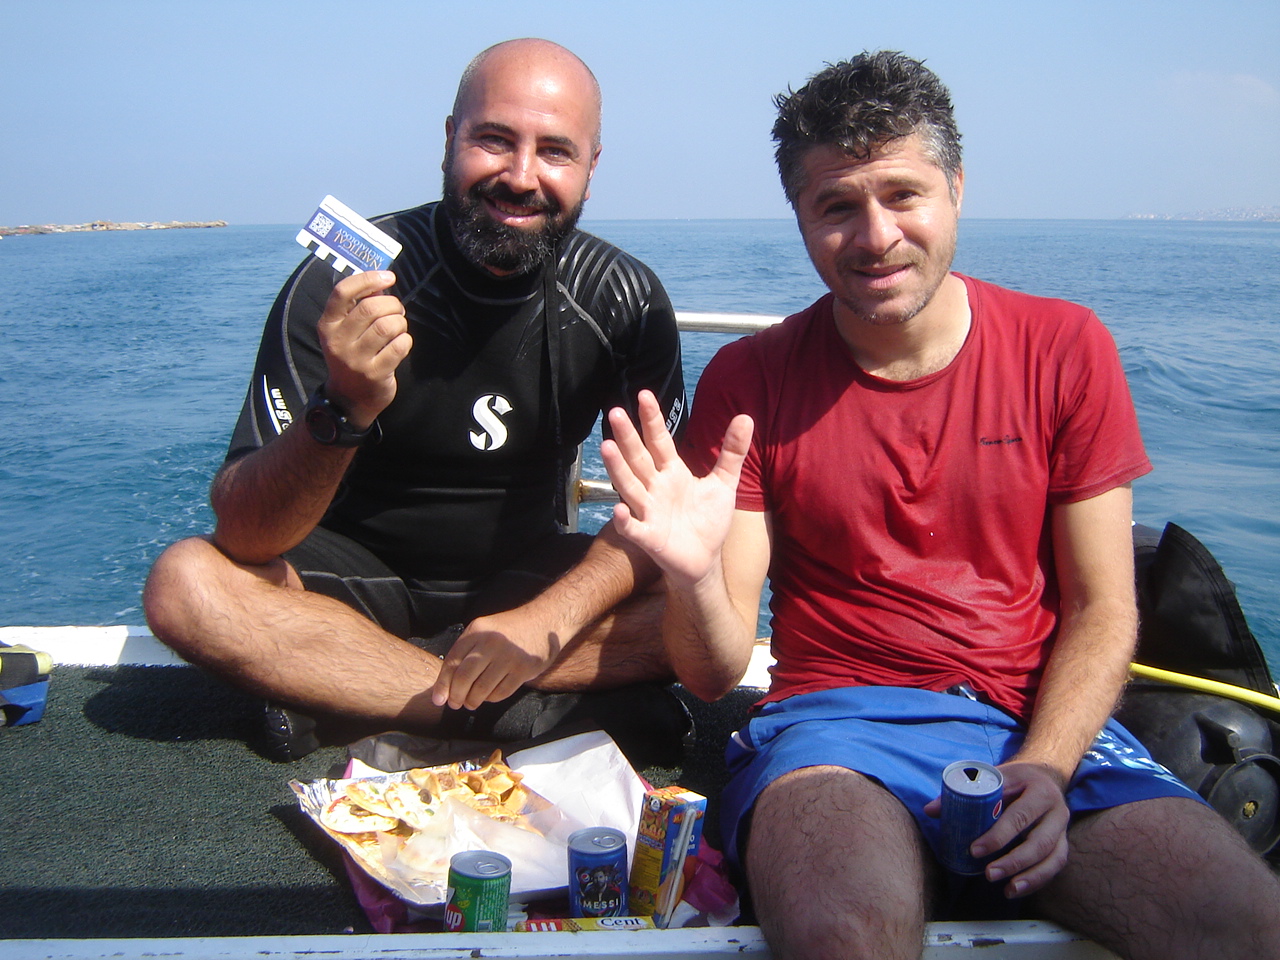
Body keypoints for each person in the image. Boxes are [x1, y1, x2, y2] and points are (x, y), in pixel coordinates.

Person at [601, 51, 1280, 960]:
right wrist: (689, 579)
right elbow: (718, 674)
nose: (875, 235)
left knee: (1247, 923)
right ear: (801, 220)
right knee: (846, 935)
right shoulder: (750, 381)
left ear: (956, 186)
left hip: (1033, 721)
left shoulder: (1064, 348)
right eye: (837, 205)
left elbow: (1103, 607)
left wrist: (1048, 762)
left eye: (903, 194)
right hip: (834, 726)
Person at [142, 38, 688, 762]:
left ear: (591, 168)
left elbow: (662, 516)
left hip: (528, 585)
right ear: (449, 141)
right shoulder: (343, 283)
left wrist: (541, 622)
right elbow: (245, 536)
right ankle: (502, 712)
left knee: (706, 612)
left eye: (555, 151)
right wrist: (344, 407)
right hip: (353, 580)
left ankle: (354, 688)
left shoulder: (622, 299)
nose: (520, 176)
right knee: (184, 585)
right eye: (494, 139)